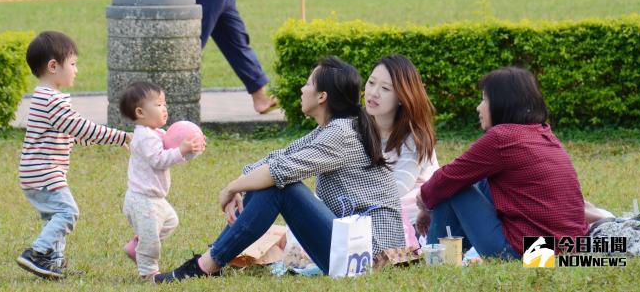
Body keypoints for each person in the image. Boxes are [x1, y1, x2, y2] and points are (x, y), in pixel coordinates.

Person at [153, 57, 405, 282]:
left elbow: (279, 171)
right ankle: (211, 260)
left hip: (370, 256)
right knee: (267, 182)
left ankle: (205, 266)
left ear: (322, 97)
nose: (302, 89)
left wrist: (232, 188)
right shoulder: (333, 129)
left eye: (308, 84)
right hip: (352, 247)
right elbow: (280, 157)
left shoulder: (340, 134)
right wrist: (241, 182)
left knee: (280, 188)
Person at [416, 67, 589, 259]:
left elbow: (447, 178)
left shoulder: (502, 138)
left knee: (454, 185)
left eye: (484, 99)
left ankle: (436, 258)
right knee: (477, 181)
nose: (478, 107)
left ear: (501, 103)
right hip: (568, 250)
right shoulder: (544, 133)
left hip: (531, 253)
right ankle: (447, 254)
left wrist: (424, 203)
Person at [16, 31, 131, 280]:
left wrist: (86, 138)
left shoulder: (42, 97)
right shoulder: (52, 100)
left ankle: (52, 264)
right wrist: (120, 136)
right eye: (73, 64)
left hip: (37, 173)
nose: (76, 70)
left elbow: (68, 132)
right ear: (53, 66)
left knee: (54, 217)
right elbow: (79, 126)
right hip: (44, 172)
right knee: (68, 212)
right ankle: (35, 253)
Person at [120, 81, 206, 281]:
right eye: (158, 105)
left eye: (165, 104)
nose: (164, 109)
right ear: (140, 112)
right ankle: (149, 273)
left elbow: (175, 155)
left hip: (155, 198)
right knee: (151, 243)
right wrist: (181, 150)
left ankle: (137, 246)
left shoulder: (157, 133)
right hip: (142, 199)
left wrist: (194, 149)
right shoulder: (144, 137)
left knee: (170, 221)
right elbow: (160, 160)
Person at [363, 55, 439, 232]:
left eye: (385, 88)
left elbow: (396, 189)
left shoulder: (415, 139)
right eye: (371, 82)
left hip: (409, 224)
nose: (373, 93)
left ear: (401, 97)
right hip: (370, 213)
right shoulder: (358, 128)